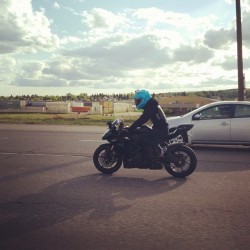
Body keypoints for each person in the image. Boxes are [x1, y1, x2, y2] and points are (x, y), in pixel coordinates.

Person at [128, 89, 169, 167]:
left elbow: (143, 119)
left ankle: (152, 162)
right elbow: (143, 118)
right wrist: (134, 126)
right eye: (136, 101)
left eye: (138, 100)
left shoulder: (151, 106)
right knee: (142, 131)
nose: (136, 102)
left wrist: (131, 128)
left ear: (143, 99)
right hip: (159, 128)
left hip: (160, 130)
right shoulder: (151, 104)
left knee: (140, 138)